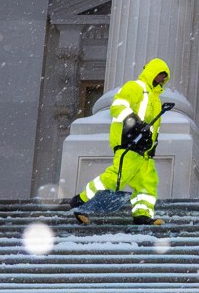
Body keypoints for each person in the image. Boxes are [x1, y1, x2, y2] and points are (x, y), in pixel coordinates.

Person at [73, 57, 172, 224]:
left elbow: (154, 127)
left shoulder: (156, 100)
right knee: (116, 177)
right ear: (152, 73)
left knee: (147, 183)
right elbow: (118, 106)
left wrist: (152, 144)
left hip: (144, 150)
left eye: (164, 77)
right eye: (160, 75)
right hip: (130, 141)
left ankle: (142, 215)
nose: (162, 79)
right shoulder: (135, 87)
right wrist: (135, 123)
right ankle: (81, 201)